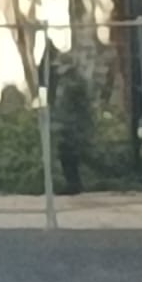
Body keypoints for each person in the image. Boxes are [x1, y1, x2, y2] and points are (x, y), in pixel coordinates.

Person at [49, 53, 92, 196]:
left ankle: (74, 184)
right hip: (66, 124)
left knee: (71, 154)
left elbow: (78, 105)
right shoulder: (65, 81)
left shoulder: (75, 82)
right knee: (65, 154)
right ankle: (72, 183)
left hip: (74, 125)